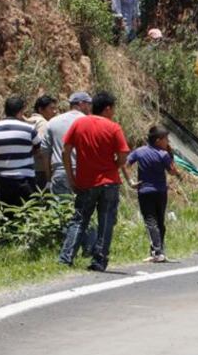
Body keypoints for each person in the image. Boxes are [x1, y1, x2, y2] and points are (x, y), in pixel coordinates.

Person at [58, 92, 130, 272]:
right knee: (106, 221)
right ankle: (99, 260)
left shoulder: (79, 123)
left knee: (79, 220)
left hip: (85, 182)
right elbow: (123, 155)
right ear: (107, 109)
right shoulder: (113, 127)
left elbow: (66, 151)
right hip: (109, 182)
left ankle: (66, 258)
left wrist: (71, 177)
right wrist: (114, 166)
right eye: (113, 109)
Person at [126, 126, 182, 263]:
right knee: (159, 221)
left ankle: (157, 252)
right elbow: (173, 172)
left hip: (145, 191)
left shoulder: (139, 151)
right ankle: (159, 251)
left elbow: (126, 164)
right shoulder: (163, 155)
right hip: (161, 192)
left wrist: (130, 181)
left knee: (150, 221)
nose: (168, 142)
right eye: (166, 139)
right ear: (158, 140)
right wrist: (170, 155)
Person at [0, 96, 39, 206]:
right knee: (28, 212)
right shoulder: (29, 129)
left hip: (2, 181)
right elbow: (38, 148)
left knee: (5, 213)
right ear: (21, 110)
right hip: (25, 179)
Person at [43, 92, 92, 197]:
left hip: (60, 171)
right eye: (89, 104)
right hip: (83, 172)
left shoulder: (52, 122)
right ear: (81, 104)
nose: (90, 107)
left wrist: (48, 179)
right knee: (83, 206)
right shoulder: (89, 122)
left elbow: (46, 153)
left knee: (60, 206)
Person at [27, 94, 58, 191]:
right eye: (51, 108)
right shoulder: (42, 123)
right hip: (40, 170)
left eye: (55, 108)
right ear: (40, 109)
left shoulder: (28, 121)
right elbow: (41, 149)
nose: (55, 111)